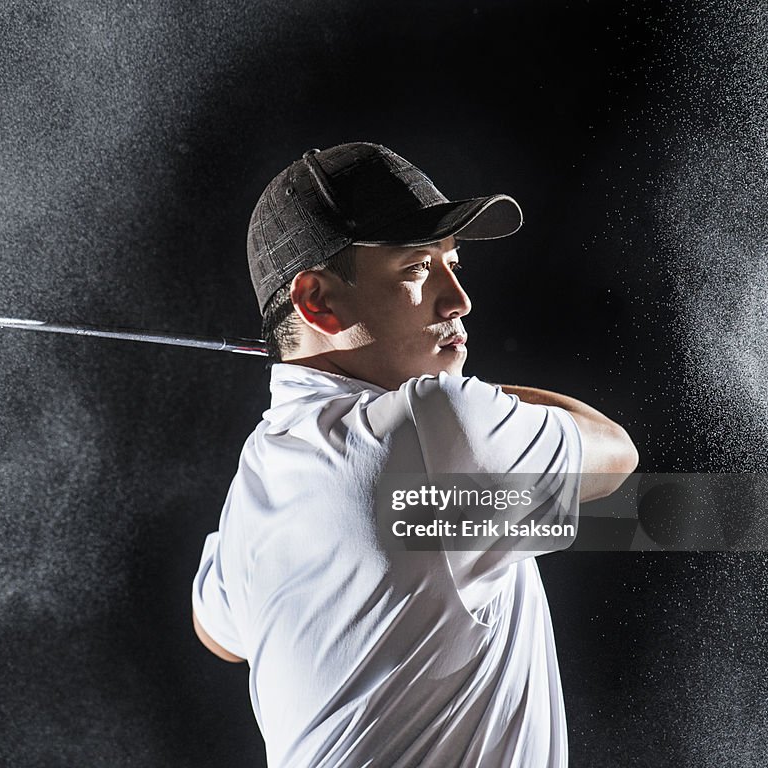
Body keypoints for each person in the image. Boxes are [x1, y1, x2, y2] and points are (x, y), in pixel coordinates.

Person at [191, 142, 638, 767]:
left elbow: (216, 632)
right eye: (417, 269)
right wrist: (465, 396)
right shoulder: (438, 423)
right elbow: (617, 454)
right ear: (317, 300)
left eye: (454, 265)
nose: (459, 300)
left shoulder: (255, 477)